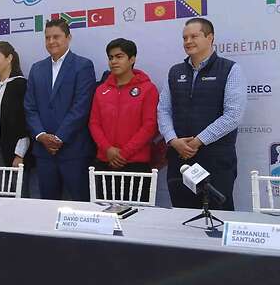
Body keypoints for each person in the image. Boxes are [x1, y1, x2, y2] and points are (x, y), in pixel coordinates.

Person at [157, 17, 247, 210]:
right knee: (182, 218)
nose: (188, 41)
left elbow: (233, 115)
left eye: (194, 36)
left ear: (210, 38)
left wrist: (198, 141)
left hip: (215, 161)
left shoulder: (230, 69)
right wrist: (173, 140)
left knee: (217, 216)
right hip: (180, 159)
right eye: (184, 37)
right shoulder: (174, 72)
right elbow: (163, 110)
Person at [24, 18, 96, 201]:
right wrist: (41, 136)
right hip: (44, 153)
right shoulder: (37, 68)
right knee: (47, 208)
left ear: (68, 37)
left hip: (74, 152)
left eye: (56, 36)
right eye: (47, 37)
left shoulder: (83, 65)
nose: (51, 41)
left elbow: (82, 106)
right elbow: (30, 107)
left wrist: (58, 138)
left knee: (82, 207)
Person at [89, 38, 159, 201]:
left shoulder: (148, 89)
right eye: (110, 57)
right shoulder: (101, 90)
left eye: (119, 56)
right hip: (104, 162)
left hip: (136, 164)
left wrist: (124, 153)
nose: (113, 61)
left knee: (137, 216)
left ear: (132, 59)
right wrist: (108, 149)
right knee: (103, 215)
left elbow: (150, 126)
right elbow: (94, 123)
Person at [0, 41, 31, 194]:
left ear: (9, 58)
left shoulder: (21, 84)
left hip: (15, 149)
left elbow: (25, 121)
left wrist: (20, 154)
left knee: (19, 194)